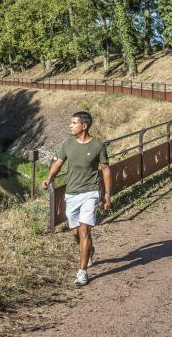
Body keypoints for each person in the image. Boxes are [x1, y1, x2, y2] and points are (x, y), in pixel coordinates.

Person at [42, 111, 112, 286]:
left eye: (74, 123)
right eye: (71, 123)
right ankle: (88, 250)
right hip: (72, 193)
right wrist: (49, 178)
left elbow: (105, 169)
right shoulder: (68, 143)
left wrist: (107, 195)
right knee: (74, 231)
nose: (70, 126)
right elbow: (58, 163)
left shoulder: (97, 146)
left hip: (90, 192)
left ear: (84, 126)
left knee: (84, 231)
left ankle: (82, 272)